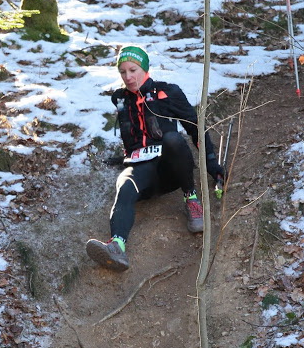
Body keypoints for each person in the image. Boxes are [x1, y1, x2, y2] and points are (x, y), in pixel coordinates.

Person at [85, 45, 225, 272]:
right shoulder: (120, 99)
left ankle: (191, 199)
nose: (128, 77)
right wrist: (122, 159)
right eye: (123, 72)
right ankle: (116, 246)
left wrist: (211, 164)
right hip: (142, 171)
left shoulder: (168, 92)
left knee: (173, 140)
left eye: (133, 70)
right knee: (124, 184)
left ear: (145, 69)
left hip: (170, 170)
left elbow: (195, 129)